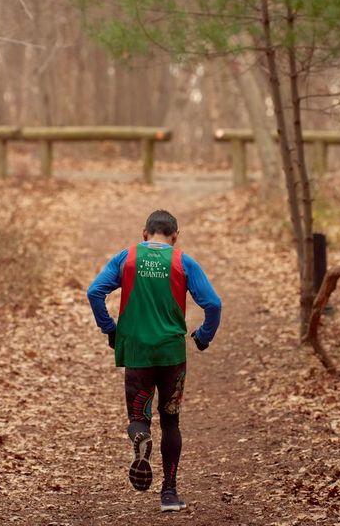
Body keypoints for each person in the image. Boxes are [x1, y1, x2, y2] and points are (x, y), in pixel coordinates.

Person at [86, 209, 222, 512]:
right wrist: (203, 336)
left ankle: (141, 439)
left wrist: (110, 329)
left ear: (144, 233)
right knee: (171, 421)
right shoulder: (183, 261)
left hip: (137, 353)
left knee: (138, 419)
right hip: (171, 353)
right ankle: (169, 493)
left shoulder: (127, 258)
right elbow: (213, 303)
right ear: (175, 236)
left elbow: (94, 292)